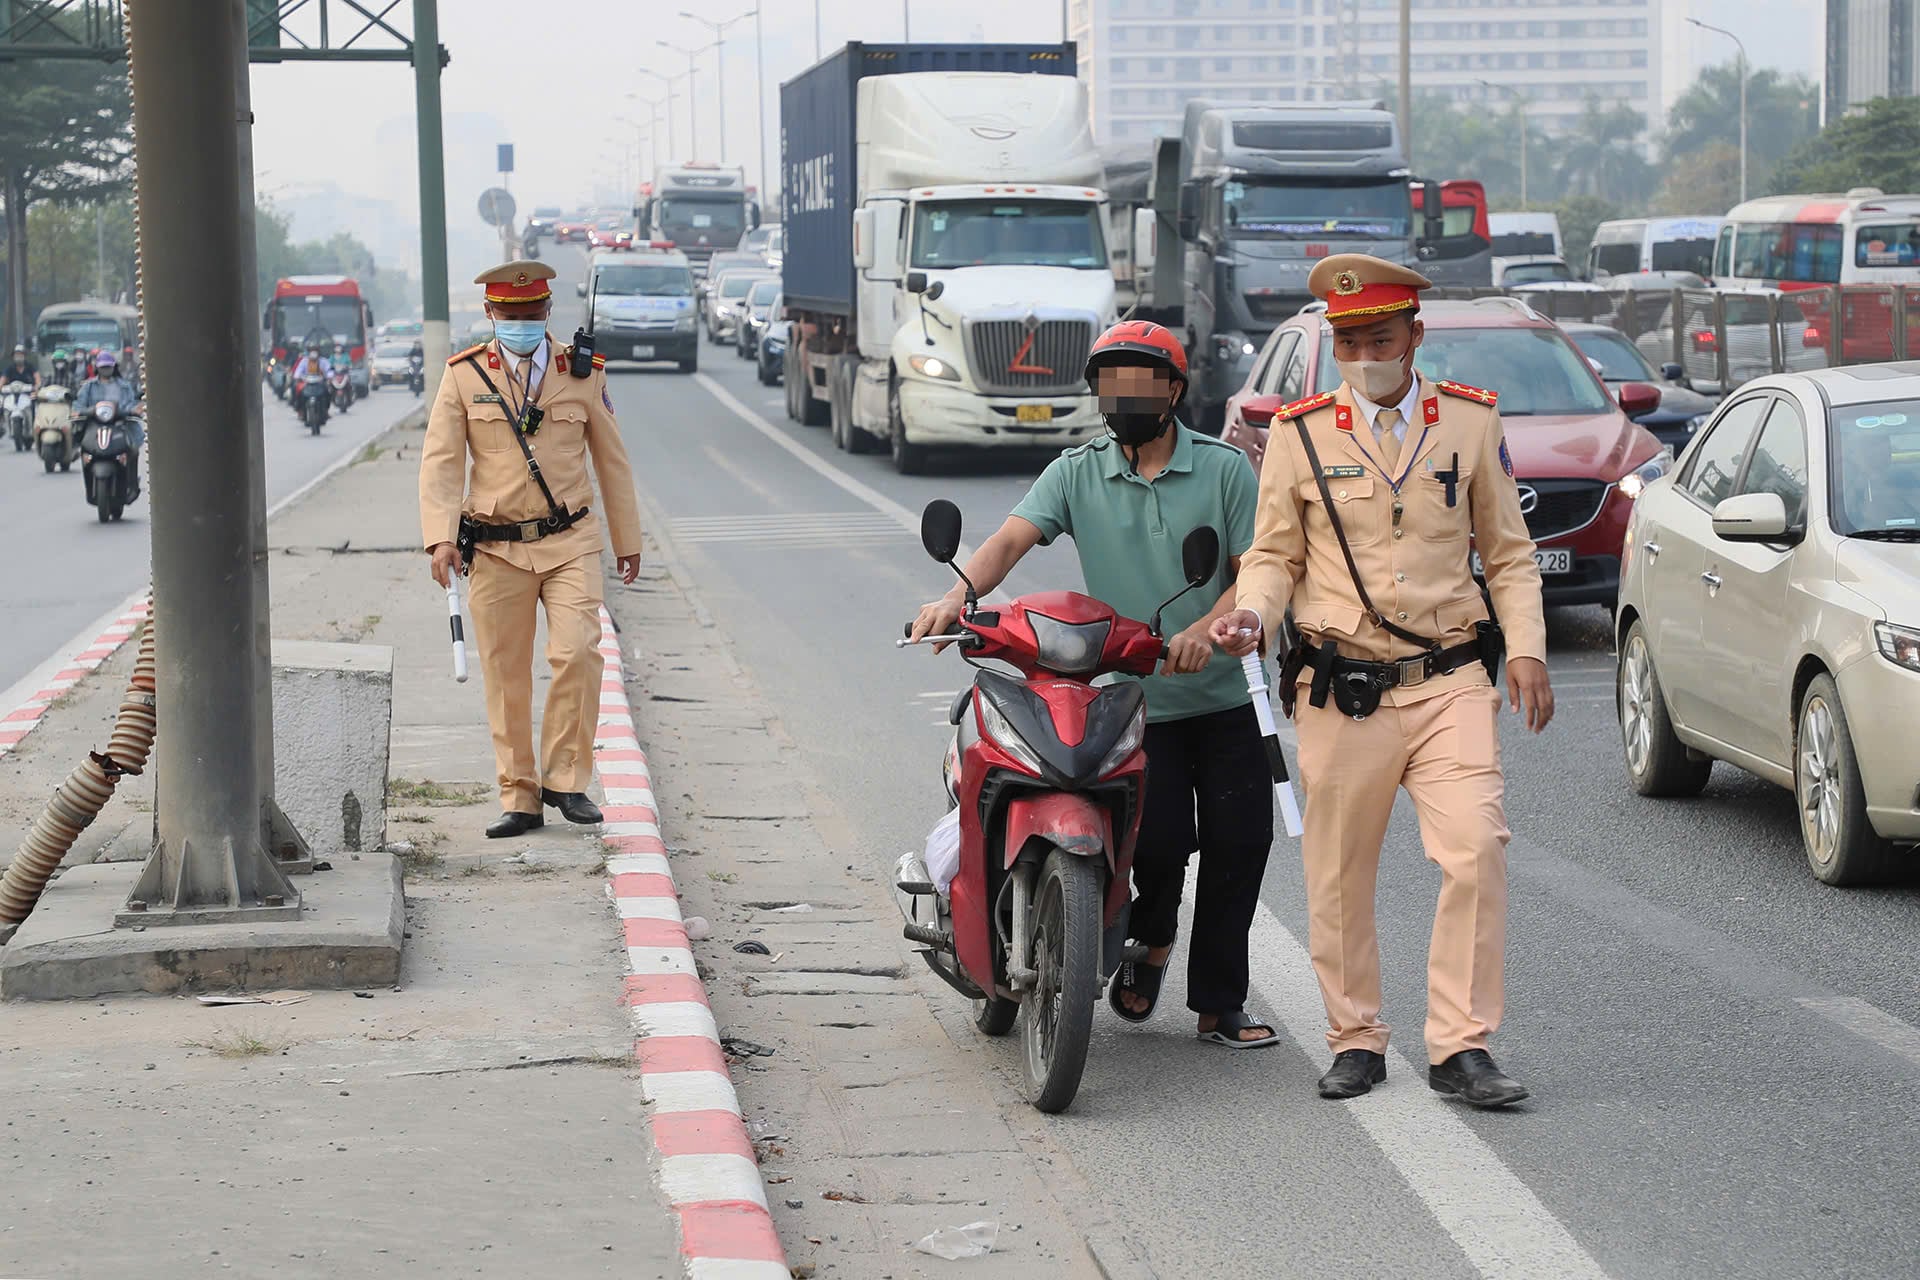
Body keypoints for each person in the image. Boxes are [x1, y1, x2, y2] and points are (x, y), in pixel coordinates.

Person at [1211, 253, 1552, 1107]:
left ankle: (1460, 1045)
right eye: (1349, 340)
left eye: (1380, 338)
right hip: (1342, 689)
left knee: (1474, 850)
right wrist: (1252, 612)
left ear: (1415, 338)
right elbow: (1273, 554)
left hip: (1448, 681)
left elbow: (1507, 554)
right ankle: (1356, 1036)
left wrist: (1528, 650)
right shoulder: (1299, 433)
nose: (1365, 355)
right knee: (1336, 871)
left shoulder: (1470, 425)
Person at [908, 321, 1278, 1048]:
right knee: (1158, 841)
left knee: (1240, 844)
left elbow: (1253, 568)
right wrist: (957, 598)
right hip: (1137, 699)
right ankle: (1151, 944)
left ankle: (1219, 1005)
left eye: (1140, 382)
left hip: (1228, 695)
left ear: (1173, 390)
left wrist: (1208, 628)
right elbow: (1011, 540)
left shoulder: (1226, 470)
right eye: (1111, 384)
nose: (1124, 398)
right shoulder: (1078, 470)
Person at [418, 260, 644, 838]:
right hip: (495, 549)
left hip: (570, 540)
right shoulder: (464, 375)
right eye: (510, 314)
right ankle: (518, 796)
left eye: (531, 313)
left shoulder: (583, 370)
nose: (521, 323)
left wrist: (628, 539)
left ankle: (566, 781)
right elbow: (443, 463)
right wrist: (441, 537)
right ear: (492, 314)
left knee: (579, 653)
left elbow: (612, 460)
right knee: (504, 672)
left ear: (547, 312)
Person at [75, 350, 143, 497]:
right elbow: (79, 405)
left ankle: (132, 485)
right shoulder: (89, 386)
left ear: (114, 367)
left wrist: (134, 410)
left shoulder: (124, 386)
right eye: (103, 367)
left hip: (119, 425)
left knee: (133, 450)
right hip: (95, 426)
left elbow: (131, 404)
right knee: (85, 450)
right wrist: (79, 412)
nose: (106, 370)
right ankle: (89, 487)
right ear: (97, 368)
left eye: (108, 367)